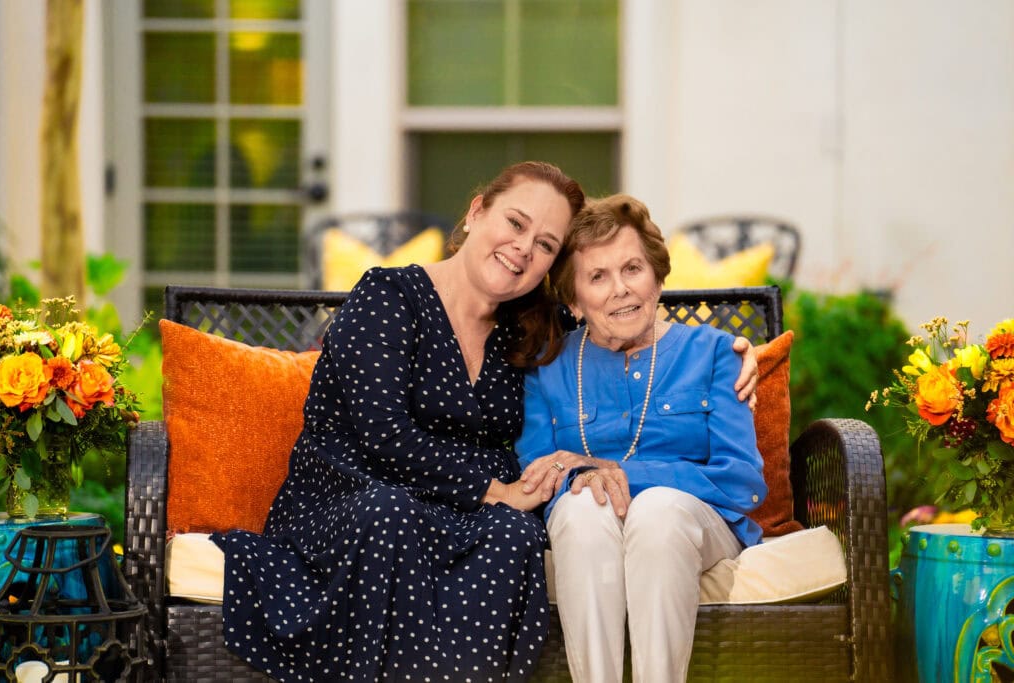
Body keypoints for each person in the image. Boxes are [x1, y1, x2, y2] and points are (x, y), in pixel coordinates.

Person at [213, 162, 758, 682]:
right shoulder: (388, 297)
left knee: (515, 533)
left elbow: (535, 444)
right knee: (396, 513)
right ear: (476, 212)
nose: (523, 247)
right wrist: (495, 489)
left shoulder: (522, 335)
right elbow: (383, 433)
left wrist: (736, 356)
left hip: (456, 509)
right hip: (359, 496)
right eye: (515, 223)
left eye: (544, 244)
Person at [515, 194, 768, 683]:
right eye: (597, 277)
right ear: (573, 300)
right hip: (589, 526)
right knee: (582, 506)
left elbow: (743, 484)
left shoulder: (716, 353)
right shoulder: (547, 370)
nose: (620, 290)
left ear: (656, 275)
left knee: (658, 512)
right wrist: (585, 481)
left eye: (632, 268)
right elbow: (539, 476)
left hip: (697, 524)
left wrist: (619, 472)